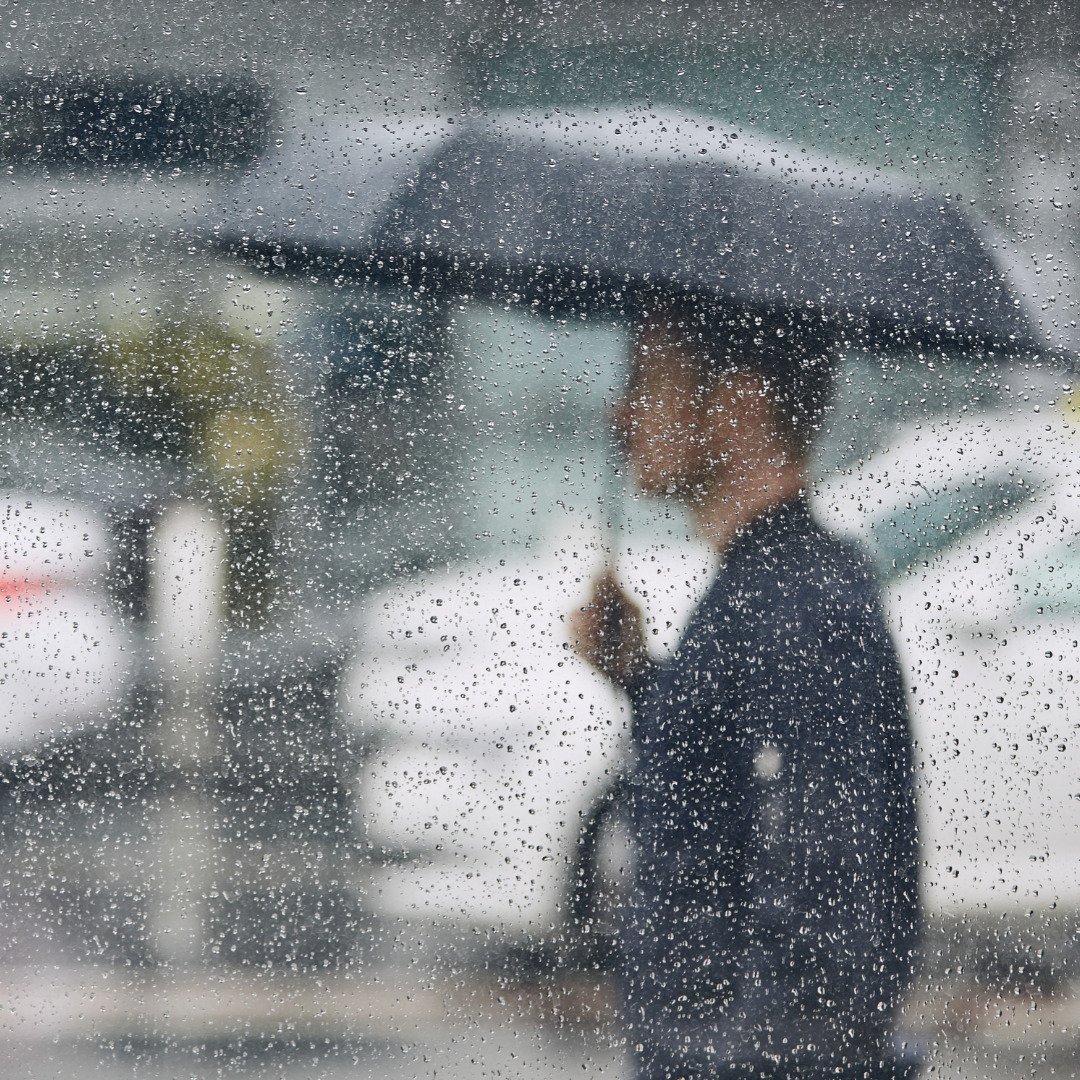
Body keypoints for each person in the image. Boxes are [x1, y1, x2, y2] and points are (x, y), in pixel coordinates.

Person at [570, 302, 921, 1080]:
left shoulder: (799, 604)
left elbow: (830, 900)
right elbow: (726, 802)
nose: (619, 412)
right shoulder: (765, 587)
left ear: (739, 403)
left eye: (649, 380)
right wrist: (637, 676)